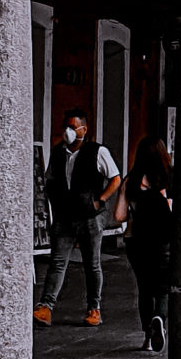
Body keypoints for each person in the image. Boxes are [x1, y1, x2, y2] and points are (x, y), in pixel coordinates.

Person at [34, 110, 121, 327]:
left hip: (90, 216)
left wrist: (99, 201)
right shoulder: (58, 153)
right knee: (58, 261)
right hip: (65, 216)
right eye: (67, 126)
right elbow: (50, 179)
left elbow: (115, 179)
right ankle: (45, 306)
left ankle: (94, 308)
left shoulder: (97, 151)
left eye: (74, 127)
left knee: (92, 264)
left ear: (84, 129)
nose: (69, 131)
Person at [123, 135, 173, 351]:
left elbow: (118, 215)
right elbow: (170, 212)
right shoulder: (166, 180)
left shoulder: (131, 180)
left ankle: (147, 337)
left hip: (136, 240)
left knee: (144, 287)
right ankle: (159, 318)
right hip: (162, 239)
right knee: (162, 286)